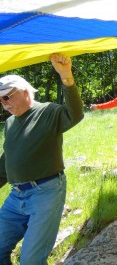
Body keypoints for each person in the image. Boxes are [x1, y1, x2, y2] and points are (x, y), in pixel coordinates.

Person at [0, 53, 84, 264]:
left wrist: (67, 78)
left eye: (7, 96)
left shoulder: (48, 112)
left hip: (45, 193)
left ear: (25, 91)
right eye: (0, 99)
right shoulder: (10, 123)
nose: (3, 103)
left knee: (30, 260)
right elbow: (7, 160)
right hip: (16, 196)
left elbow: (75, 115)